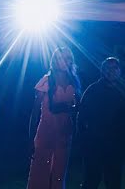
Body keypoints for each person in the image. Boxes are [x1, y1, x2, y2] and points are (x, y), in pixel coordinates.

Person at [27, 46, 81, 189]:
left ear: (70, 61)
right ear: (54, 61)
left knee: (59, 173)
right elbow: (34, 112)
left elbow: (77, 108)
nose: (63, 61)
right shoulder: (47, 81)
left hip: (65, 133)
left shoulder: (74, 81)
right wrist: (31, 138)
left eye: (67, 58)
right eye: (59, 58)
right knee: (40, 174)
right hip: (46, 131)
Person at [78, 57, 125, 189]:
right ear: (102, 70)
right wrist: (83, 141)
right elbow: (81, 117)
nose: (111, 71)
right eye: (108, 68)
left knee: (113, 181)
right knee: (91, 180)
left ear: (120, 70)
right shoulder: (92, 90)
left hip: (117, 146)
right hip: (94, 146)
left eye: (115, 67)